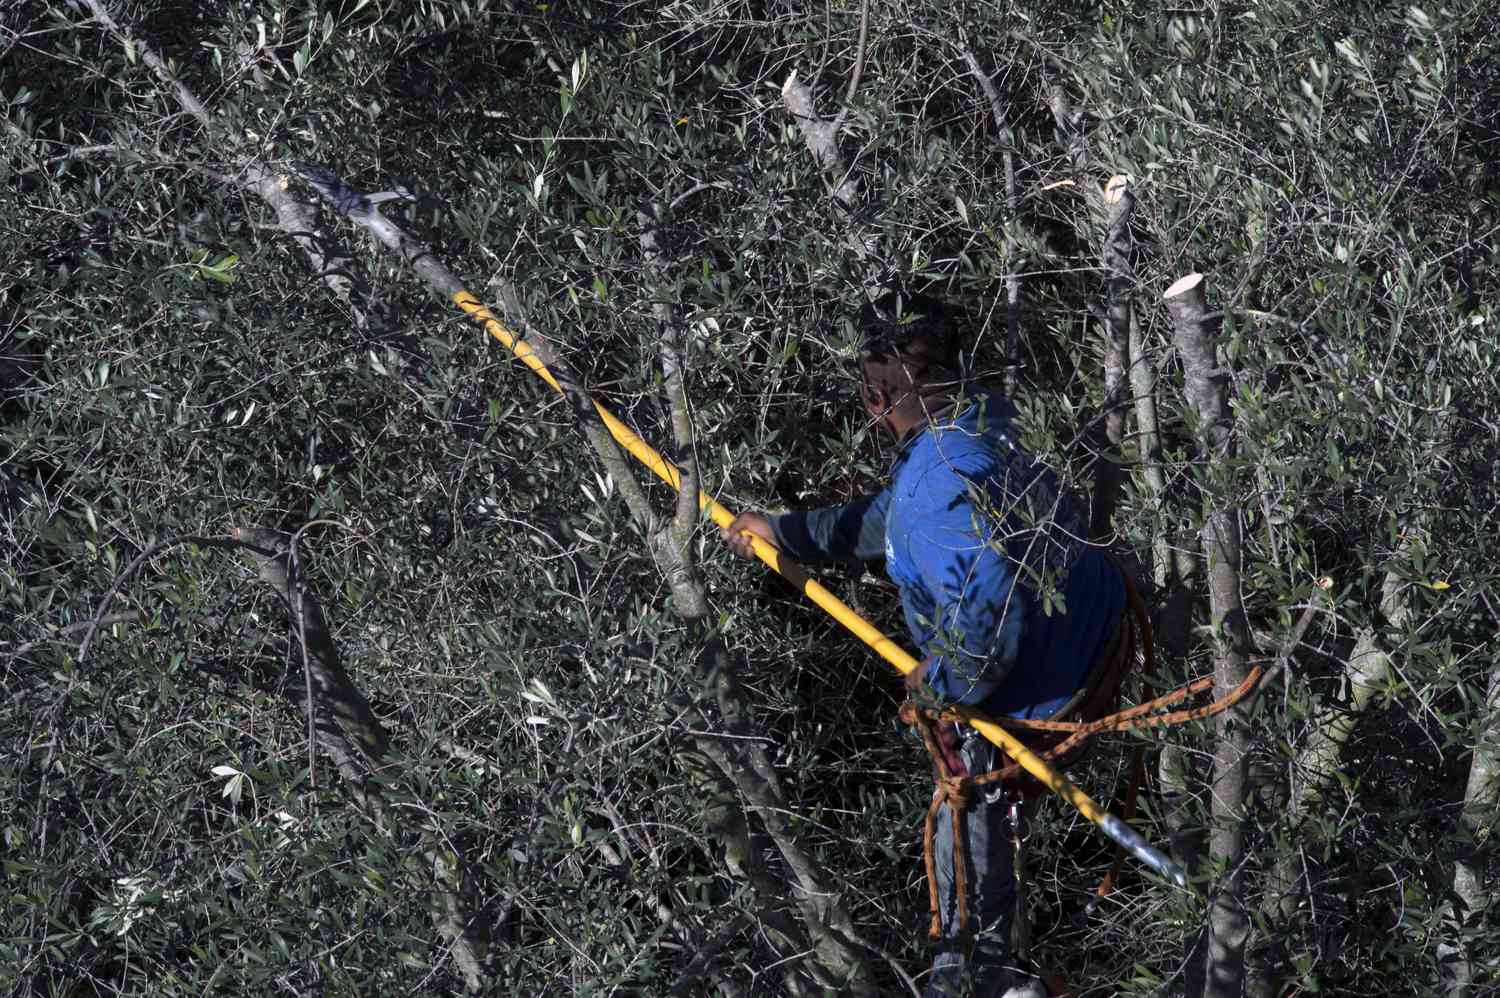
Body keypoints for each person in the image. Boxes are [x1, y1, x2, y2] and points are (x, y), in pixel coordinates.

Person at [720, 293, 1125, 998]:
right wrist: (788, 534)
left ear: (879, 390)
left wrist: (938, 690)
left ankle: (977, 979)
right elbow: (894, 517)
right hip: (1096, 643)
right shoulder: (988, 419)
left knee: (964, 841)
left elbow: (986, 625)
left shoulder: (939, 484)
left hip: (1037, 696)